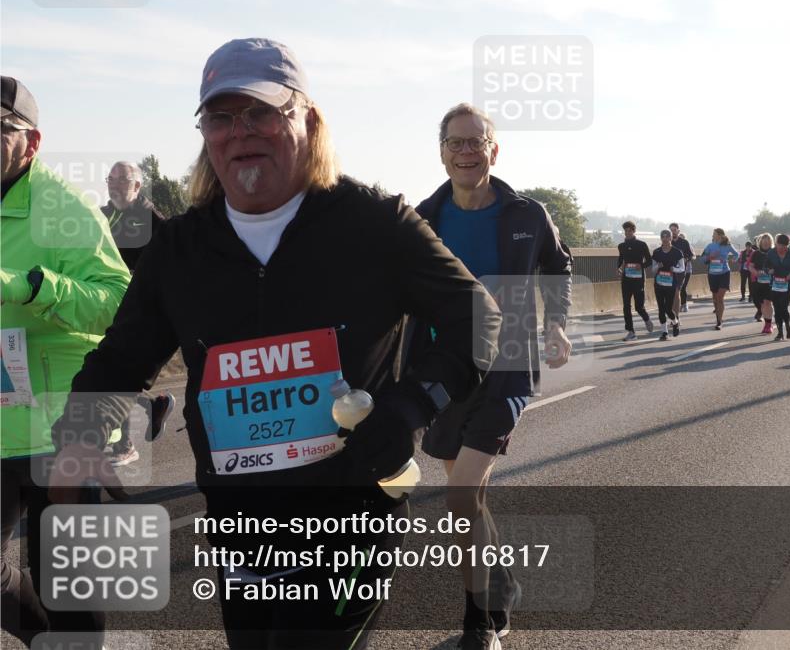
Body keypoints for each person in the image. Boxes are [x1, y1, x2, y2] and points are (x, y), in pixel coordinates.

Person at [47, 39, 503, 650]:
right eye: (221, 117)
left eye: (262, 112)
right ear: (205, 133)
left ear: (307, 120)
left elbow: (478, 316)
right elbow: (123, 356)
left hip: (349, 521)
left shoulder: (373, 223)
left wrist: (411, 407)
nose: (241, 133)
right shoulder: (181, 249)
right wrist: (80, 429)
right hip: (240, 529)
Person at [414, 102, 572, 649]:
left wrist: (556, 324)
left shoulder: (527, 215)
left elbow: (558, 265)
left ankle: (479, 625)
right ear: (441, 153)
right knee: (470, 496)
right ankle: (500, 583)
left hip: (508, 363)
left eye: (476, 142)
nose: (466, 151)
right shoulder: (422, 220)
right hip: (445, 369)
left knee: (460, 494)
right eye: (455, 143)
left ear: (493, 150)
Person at [1, 75, 131, 647]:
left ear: (31, 143)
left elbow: (118, 303)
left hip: (60, 425)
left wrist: (32, 287)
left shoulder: (63, 207)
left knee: (73, 587)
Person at [100, 161, 173, 467]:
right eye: (110, 179)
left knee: (117, 370)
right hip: (111, 303)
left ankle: (123, 446)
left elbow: (166, 267)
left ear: (138, 186)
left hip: (143, 311)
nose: (114, 185)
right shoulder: (105, 215)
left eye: (122, 180)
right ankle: (153, 404)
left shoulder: (153, 220)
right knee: (106, 369)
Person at [617, 221, 654, 340]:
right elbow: (621, 259)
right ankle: (631, 331)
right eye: (625, 231)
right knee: (626, 306)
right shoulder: (621, 246)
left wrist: (641, 266)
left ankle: (647, 319)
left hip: (638, 279)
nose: (627, 233)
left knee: (639, 306)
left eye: (629, 231)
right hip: (626, 279)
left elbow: (649, 261)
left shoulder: (642, 244)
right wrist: (619, 269)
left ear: (634, 231)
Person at [700, 228, 739, 330]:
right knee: (715, 298)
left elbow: (737, 254)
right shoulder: (710, 246)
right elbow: (702, 259)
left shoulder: (728, 246)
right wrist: (710, 257)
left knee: (720, 297)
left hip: (724, 273)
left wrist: (733, 260)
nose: (713, 235)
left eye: (714, 234)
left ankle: (719, 322)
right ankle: (718, 318)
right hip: (713, 274)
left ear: (720, 235)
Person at [766, 234, 790, 341]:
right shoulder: (771, 253)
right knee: (777, 308)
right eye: (779, 245)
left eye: (784, 246)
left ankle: (787, 325)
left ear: (788, 245)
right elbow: (765, 266)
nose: (781, 248)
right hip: (775, 284)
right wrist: (769, 270)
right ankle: (780, 332)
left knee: (784, 307)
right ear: (776, 244)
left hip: (787, 283)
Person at [651, 229, 685, 340]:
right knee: (661, 308)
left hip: (671, 284)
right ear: (661, 238)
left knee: (668, 309)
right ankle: (664, 332)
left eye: (667, 237)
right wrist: (658, 266)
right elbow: (653, 269)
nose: (665, 239)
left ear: (671, 238)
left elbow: (682, 268)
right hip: (659, 283)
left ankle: (675, 323)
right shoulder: (656, 252)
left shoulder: (677, 252)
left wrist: (673, 269)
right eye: (663, 237)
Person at [748, 233, 775, 334]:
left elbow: (778, 265)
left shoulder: (774, 253)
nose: (766, 244)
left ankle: (768, 324)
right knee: (762, 305)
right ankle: (767, 322)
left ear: (771, 243)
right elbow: (750, 266)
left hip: (770, 283)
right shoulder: (756, 254)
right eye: (764, 242)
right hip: (759, 283)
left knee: (768, 302)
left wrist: (773, 271)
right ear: (760, 243)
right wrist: (755, 272)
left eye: (768, 242)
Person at [668, 223, 694, 314]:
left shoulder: (684, 242)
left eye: (674, 230)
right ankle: (673, 314)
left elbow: (691, 255)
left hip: (681, 271)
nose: (673, 232)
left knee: (677, 291)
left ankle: (677, 315)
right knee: (671, 293)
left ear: (678, 231)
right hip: (670, 272)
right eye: (671, 230)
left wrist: (685, 259)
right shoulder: (668, 242)